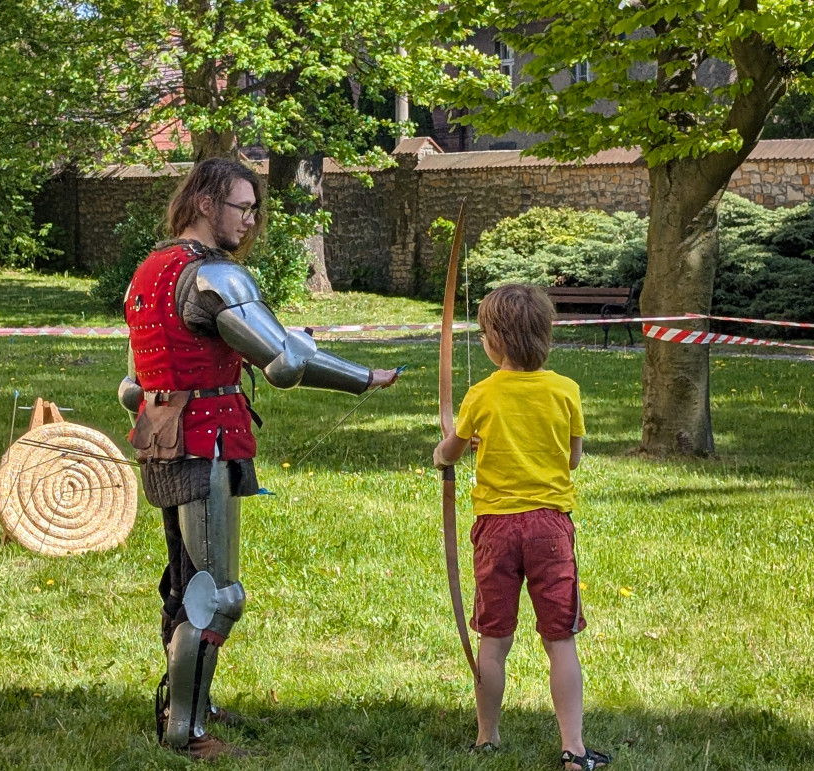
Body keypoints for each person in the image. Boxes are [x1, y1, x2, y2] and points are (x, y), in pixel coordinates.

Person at [117, 158, 399, 760]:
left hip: (164, 438)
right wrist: (363, 376)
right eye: (242, 208)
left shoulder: (149, 271)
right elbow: (286, 363)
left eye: (253, 209)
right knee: (216, 595)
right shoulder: (214, 276)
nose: (250, 221)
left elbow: (133, 384)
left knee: (188, 582)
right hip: (204, 440)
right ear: (205, 203)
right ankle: (186, 731)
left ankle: (189, 701)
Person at [432, 284, 610, 771]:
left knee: (494, 640)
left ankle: (487, 737)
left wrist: (442, 453)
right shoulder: (565, 390)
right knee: (560, 640)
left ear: (494, 341)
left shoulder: (481, 394)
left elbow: (451, 451)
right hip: (551, 528)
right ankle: (573, 749)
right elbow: (571, 458)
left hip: (497, 530)